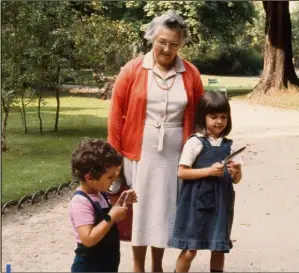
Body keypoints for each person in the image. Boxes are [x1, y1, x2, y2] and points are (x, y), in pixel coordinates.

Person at [108, 11, 204, 272]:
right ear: (152, 37)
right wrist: (114, 159)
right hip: (139, 152)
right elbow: (116, 117)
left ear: (181, 44)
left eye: (174, 43)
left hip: (175, 152)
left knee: (162, 213)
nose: (167, 48)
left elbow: (199, 118)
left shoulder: (191, 74)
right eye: (162, 41)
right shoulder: (132, 70)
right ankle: (138, 266)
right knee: (140, 211)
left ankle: (157, 267)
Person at [168, 91, 243, 272]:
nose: (219, 121)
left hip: (221, 203)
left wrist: (236, 172)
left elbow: (237, 180)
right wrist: (208, 171)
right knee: (190, 249)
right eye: (214, 116)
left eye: (223, 117)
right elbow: (182, 172)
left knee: (218, 248)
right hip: (196, 203)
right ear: (204, 118)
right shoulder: (196, 142)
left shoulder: (229, 145)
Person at [69, 138, 137, 272]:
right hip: (90, 267)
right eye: (110, 177)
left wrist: (119, 204)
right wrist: (111, 216)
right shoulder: (80, 203)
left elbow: (103, 219)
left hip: (107, 264)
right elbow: (88, 239)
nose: (114, 180)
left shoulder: (100, 194)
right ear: (89, 177)